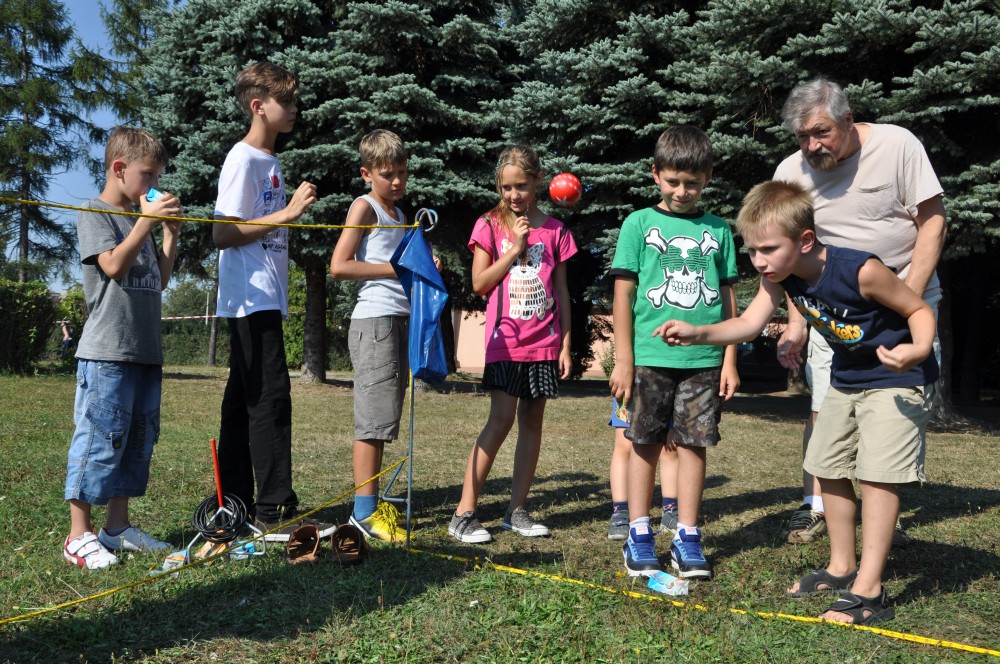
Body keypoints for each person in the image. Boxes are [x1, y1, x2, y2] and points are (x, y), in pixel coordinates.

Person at [656, 180, 937, 625]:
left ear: (805, 240)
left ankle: (870, 588)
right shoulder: (781, 277)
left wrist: (918, 349)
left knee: (878, 475)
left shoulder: (859, 269)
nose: (758, 261)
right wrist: (697, 332)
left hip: (895, 376)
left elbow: (917, 309)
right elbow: (748, 324)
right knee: (826, 465)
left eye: (767, 249)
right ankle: (842, 567)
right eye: (752, 251)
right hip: (847, 378)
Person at [773, 77, 947, 546]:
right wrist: (796, 326)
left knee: (890, 415)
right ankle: (818, 507)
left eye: (821, 132)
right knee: (824, 406)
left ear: (849, 120)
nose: (811, 146)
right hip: (833, 315)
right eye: (802, 136)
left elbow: (931, 221)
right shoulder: (791, 171)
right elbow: (791, 258)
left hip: (903, 300)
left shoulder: (897, 145)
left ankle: (882, 518)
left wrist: (906, 300)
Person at [608, 125, 740, 579]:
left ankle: (687, 535)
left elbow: (727, 301)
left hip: (703, 361)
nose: (683, 191)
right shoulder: (638, 224)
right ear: (656, 175)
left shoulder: (719, 230)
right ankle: (640, 534)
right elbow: (622, 296)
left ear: (707, 179)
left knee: (694, 445)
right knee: (642, 443)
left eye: (693, 182)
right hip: (647, 358)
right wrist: (623, 359)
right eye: (673, 181)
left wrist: (730, 358)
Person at [213, 61, 330, 542]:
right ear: (259, 106)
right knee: (271, 399)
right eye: (289, 101)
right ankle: (274, 509)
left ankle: (234, 505)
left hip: (263, 298)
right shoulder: (243, 159)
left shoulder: (270, 161)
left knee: (243, 403)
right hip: (248, 299)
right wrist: (288, 213)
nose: (296, 108)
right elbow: (222, 232)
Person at [63, 126, 182, 569]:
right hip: (107, 351)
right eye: (148, 176)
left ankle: (116, 528)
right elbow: (113, 265)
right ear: (119, 169)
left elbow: (160, 279)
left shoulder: (138, 220)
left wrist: (167, 234)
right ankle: (78, 535)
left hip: (145, 352)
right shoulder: (94, 213)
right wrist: (146, 224)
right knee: (99, 438)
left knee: (135, 441)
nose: (154, 185)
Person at [448, 146, 578, 544]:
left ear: (538, 182)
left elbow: (562, 292)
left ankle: (516, 510)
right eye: (506, 187)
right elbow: (480, 283)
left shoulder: (555, 231)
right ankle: (463, 513)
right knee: (500, 419)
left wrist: (566, 345)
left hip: (544, 343)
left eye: (521, 186)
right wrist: (517, 249)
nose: (513, 195)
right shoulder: (488, 225)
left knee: (532, 423)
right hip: (506, 342)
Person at [330, 129, 434, 542]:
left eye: (402, 173)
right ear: (366, 173)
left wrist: (423, 263)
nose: (397, 181)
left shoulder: (398, 211)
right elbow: (340, 266)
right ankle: (363, 514)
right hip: (374, 321)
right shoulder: (365, 207)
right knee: (372, 422)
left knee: (385, 418)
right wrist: (397, 269)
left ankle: (371, 506)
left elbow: (400, 262)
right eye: (388, 174)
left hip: (397, 320)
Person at [607, 397, 679, 540]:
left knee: (671, 447)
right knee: (625, 446)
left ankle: (671, 509)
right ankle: (621, 510)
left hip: (670, 382)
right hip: (634, 385)